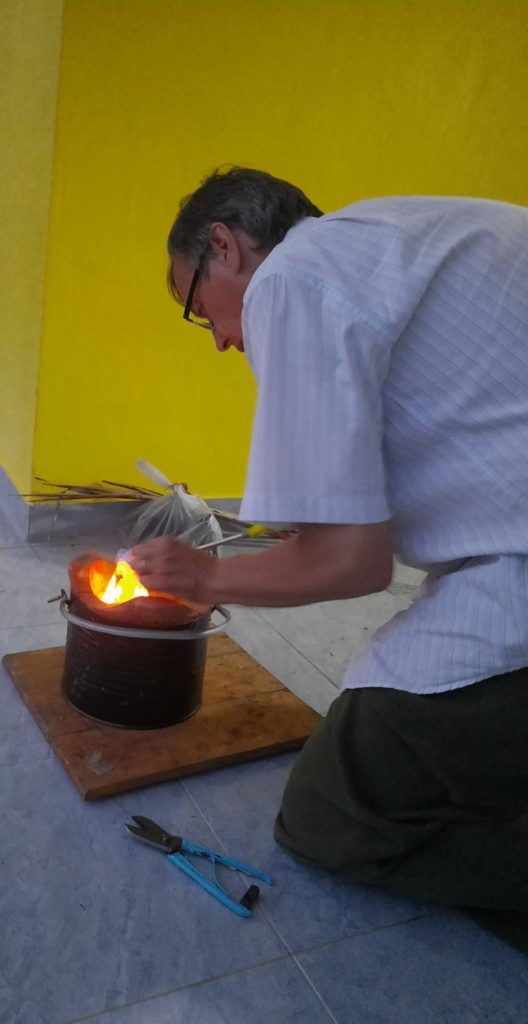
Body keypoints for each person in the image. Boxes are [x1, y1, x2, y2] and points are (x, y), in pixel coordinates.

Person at [128, 167, 528, 912]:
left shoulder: (292, 279)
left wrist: (205, 580)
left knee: (325, 814)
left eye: (199, 310)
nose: (219, 341)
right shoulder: (385, 237)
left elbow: (352, 563)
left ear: (225, 246)